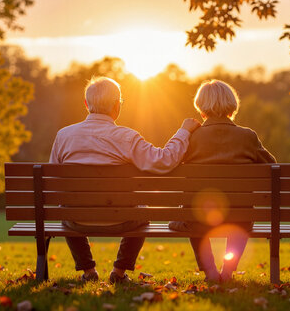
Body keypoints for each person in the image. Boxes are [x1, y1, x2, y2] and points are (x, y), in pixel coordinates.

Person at [49, 76, 201, 284]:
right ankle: (119, 273)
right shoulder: (127, 137)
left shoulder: (63, 136)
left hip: (77, 220)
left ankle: (88, 271)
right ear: (116, 106)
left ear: (86, 104)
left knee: (67, 208)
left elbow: (53, 180)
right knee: (142, 212)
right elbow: (163, 161)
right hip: (122, 219)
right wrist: (183, 132)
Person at [169, 79, 276, 282]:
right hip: (240, 218)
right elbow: (272, 167)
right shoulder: (248, 136)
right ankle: (227, 272)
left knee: (191, 215)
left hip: (198, 219)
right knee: (241, 216)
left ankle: (210, 272)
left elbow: (170, 163)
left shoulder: (192, 138)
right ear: (232, 106)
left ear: (201, 108)